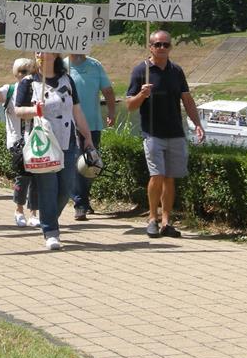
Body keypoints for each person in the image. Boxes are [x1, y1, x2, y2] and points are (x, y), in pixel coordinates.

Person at [126, 30, 205, 238]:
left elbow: (187, 99)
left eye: (166, 45)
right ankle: (152, 218)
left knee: (170, 178)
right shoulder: (140, 71)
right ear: (150, 47)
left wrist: (197, 123)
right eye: (158, 44)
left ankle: (166, 221)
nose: (162, 48)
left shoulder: (176, 71)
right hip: (152, 133)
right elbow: (129, 106)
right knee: (157, 176)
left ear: (170, 47)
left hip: (176, 132)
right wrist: (142, 95)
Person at [14, 52, 94, 250]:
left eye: (45, 50)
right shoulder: (28, 82)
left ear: (55, 53)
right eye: (38, 51)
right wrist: (34, 110)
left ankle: (49, 218)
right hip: (44, 144)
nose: (41, 54)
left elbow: (77, 111)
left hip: (67, 141)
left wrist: (88, 137)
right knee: (48, 188)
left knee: (65, 189)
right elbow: (17, 111)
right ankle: (51, 232)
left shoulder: (67, 80)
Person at [0, 58, 40, 227]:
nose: (25, 75)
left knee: (37, 177)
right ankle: (19, 209)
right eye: (22, 72)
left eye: (28, 71)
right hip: (17, 141)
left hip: (36, 140)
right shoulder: (10, 90)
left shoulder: (38, 89)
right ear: (16, 73)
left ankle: (34, 212)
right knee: (22, 177)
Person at [64, 53, 117, 221]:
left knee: (91, 164)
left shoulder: (95, 65)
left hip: (92, 124)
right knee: (76, 162)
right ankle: (80, 203)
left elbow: (107, 90)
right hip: (70, 125)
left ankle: (83, 198)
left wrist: (111, 111)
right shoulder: (62, 66)